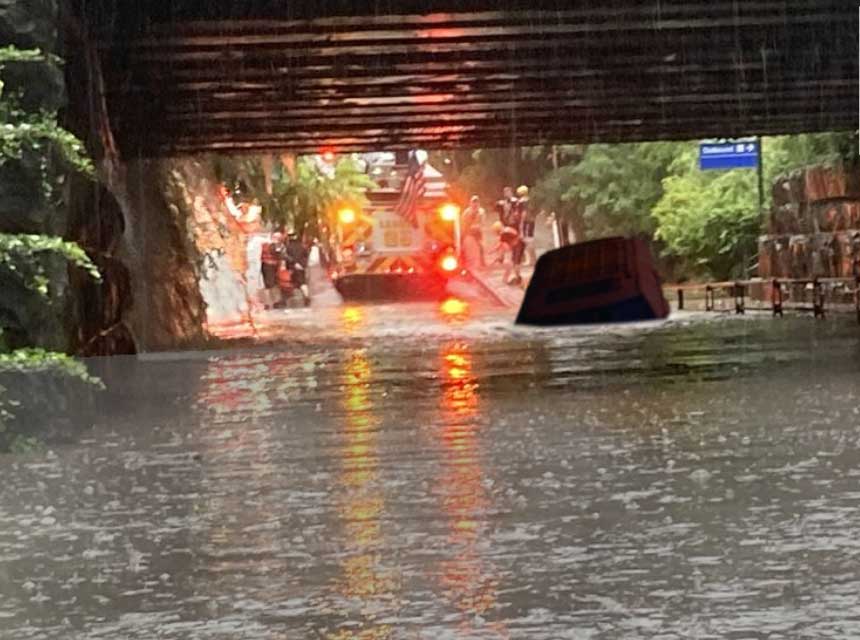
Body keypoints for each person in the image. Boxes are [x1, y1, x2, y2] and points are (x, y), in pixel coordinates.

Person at [490, 220, 525, 286]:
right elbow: (501, 244)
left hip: (518, 245)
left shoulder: (505, 232)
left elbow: (501, 245)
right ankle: (518, 278)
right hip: (518, 244)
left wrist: (493, 251)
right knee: (515, 262)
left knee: (516, 263)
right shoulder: (505, 231)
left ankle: (518, 279)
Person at [284, 227, 311, 307]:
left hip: (293, 267)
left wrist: (291, 265)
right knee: (303, 282)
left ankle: (294, 299)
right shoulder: (302, 246)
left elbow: (287, 258)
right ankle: (306, 296)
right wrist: (303, 265)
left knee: (294, 283)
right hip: (301, 267)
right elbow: (306, 256)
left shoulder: (288, 247)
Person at [260, 231, 285, 310]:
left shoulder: (265, 244)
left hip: (267, 265)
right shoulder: (272, 245)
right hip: (270, 265)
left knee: (269, 284)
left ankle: (270, 302)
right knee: (271, 284)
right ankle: (272, 302)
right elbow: (277, 253)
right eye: (279, 238)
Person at [461, 195, 486, 267]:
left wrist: (478, 226)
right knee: (465, 246)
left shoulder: (481, 211)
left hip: (477, 231)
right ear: (470, 203)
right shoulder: (467, 212)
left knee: (480, 246)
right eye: (473, 202)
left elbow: (482, 222)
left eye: (476, 202)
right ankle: (464, 261)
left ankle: (482, 261)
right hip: (468, 231)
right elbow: (463, 221)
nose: (475, 204)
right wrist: (465, 230)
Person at [516, 185, 537, 266]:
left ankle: (531, 260)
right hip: (532, 221)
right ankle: (533, 259)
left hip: (525, 222)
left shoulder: (521, 202)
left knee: (526, 240)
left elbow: (522, 213)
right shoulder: (531, 201)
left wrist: (520, 223)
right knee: (530, 239)